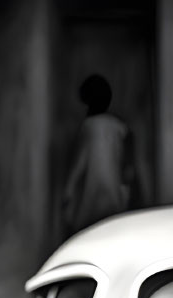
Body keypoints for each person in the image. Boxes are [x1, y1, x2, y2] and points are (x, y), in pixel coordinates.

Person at [60, 73, 142, 235]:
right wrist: (125, 193)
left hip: (92, 196)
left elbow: (81, 162)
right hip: (115, 198)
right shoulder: (120, 128)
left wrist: (68, 191)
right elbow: (129, 169)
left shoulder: (88, 126)